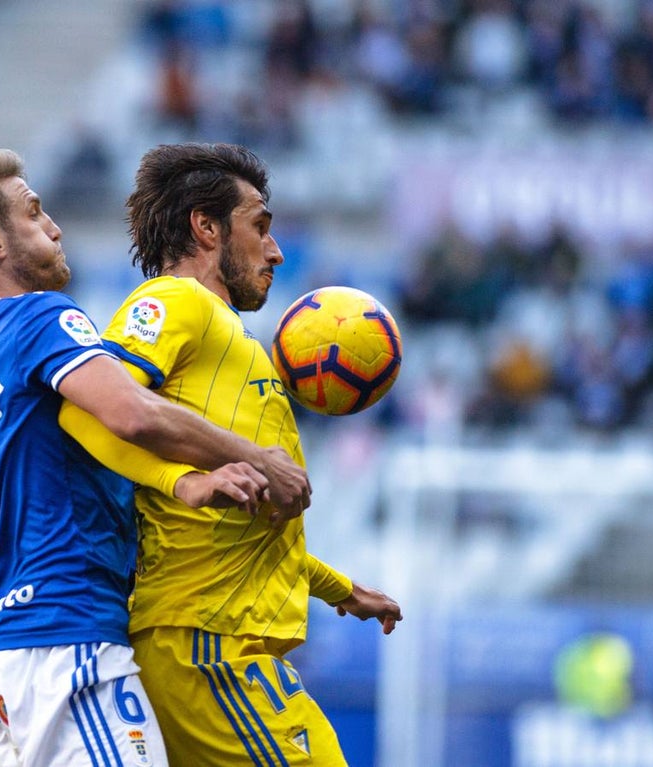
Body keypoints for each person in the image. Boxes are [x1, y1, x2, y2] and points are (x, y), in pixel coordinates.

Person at [0, 148, 313, 767]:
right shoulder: (38, 316)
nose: (55, 227)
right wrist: (260, 459)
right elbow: (131, 412)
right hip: (66, 641)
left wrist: (182, 484)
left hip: (6, 651)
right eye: (34, 213)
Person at [59, 143, 403, 765]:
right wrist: (179, 480)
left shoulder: (235, 346)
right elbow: (85, 410)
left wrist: (340, 589)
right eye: (261, 227)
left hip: (219, 641)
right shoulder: (175, 301)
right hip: (206, 642)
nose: (275, 251)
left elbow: (244, 525)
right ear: (207, 227)